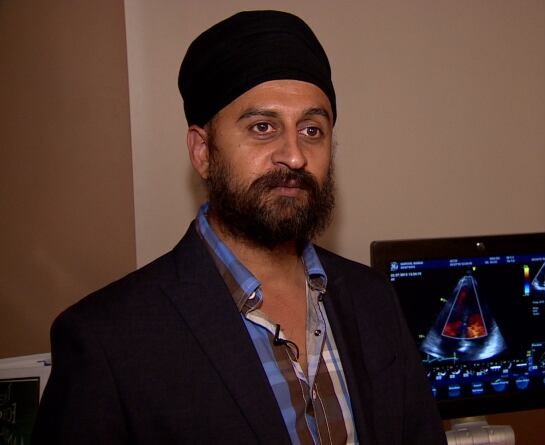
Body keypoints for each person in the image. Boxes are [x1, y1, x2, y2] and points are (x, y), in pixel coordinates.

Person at [32, 10, 445, 444]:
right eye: (263, 127)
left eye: (312, 129)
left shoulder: (373, 299)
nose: (295, 155)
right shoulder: (108, 343)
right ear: (202, 151)